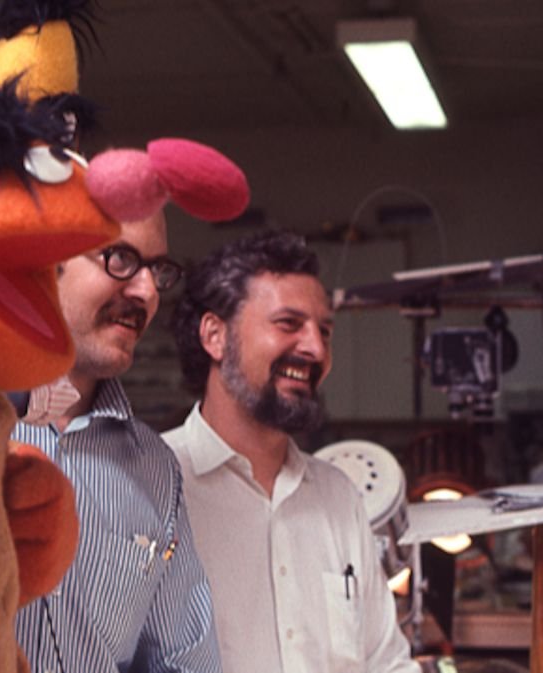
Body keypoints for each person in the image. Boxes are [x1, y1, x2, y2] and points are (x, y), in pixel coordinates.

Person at [162, 230, 420, 673]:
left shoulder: (337, 496)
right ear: (215, 335)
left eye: (324, 330)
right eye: (288, 324)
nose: (316, 348)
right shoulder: (155, 486)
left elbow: (387, 664)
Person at [12, 208, 223, 673]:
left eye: (158, 271)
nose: (146, 292)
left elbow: (182, 661)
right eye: (121, 259)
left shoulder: (153, 467)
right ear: (47, 260)